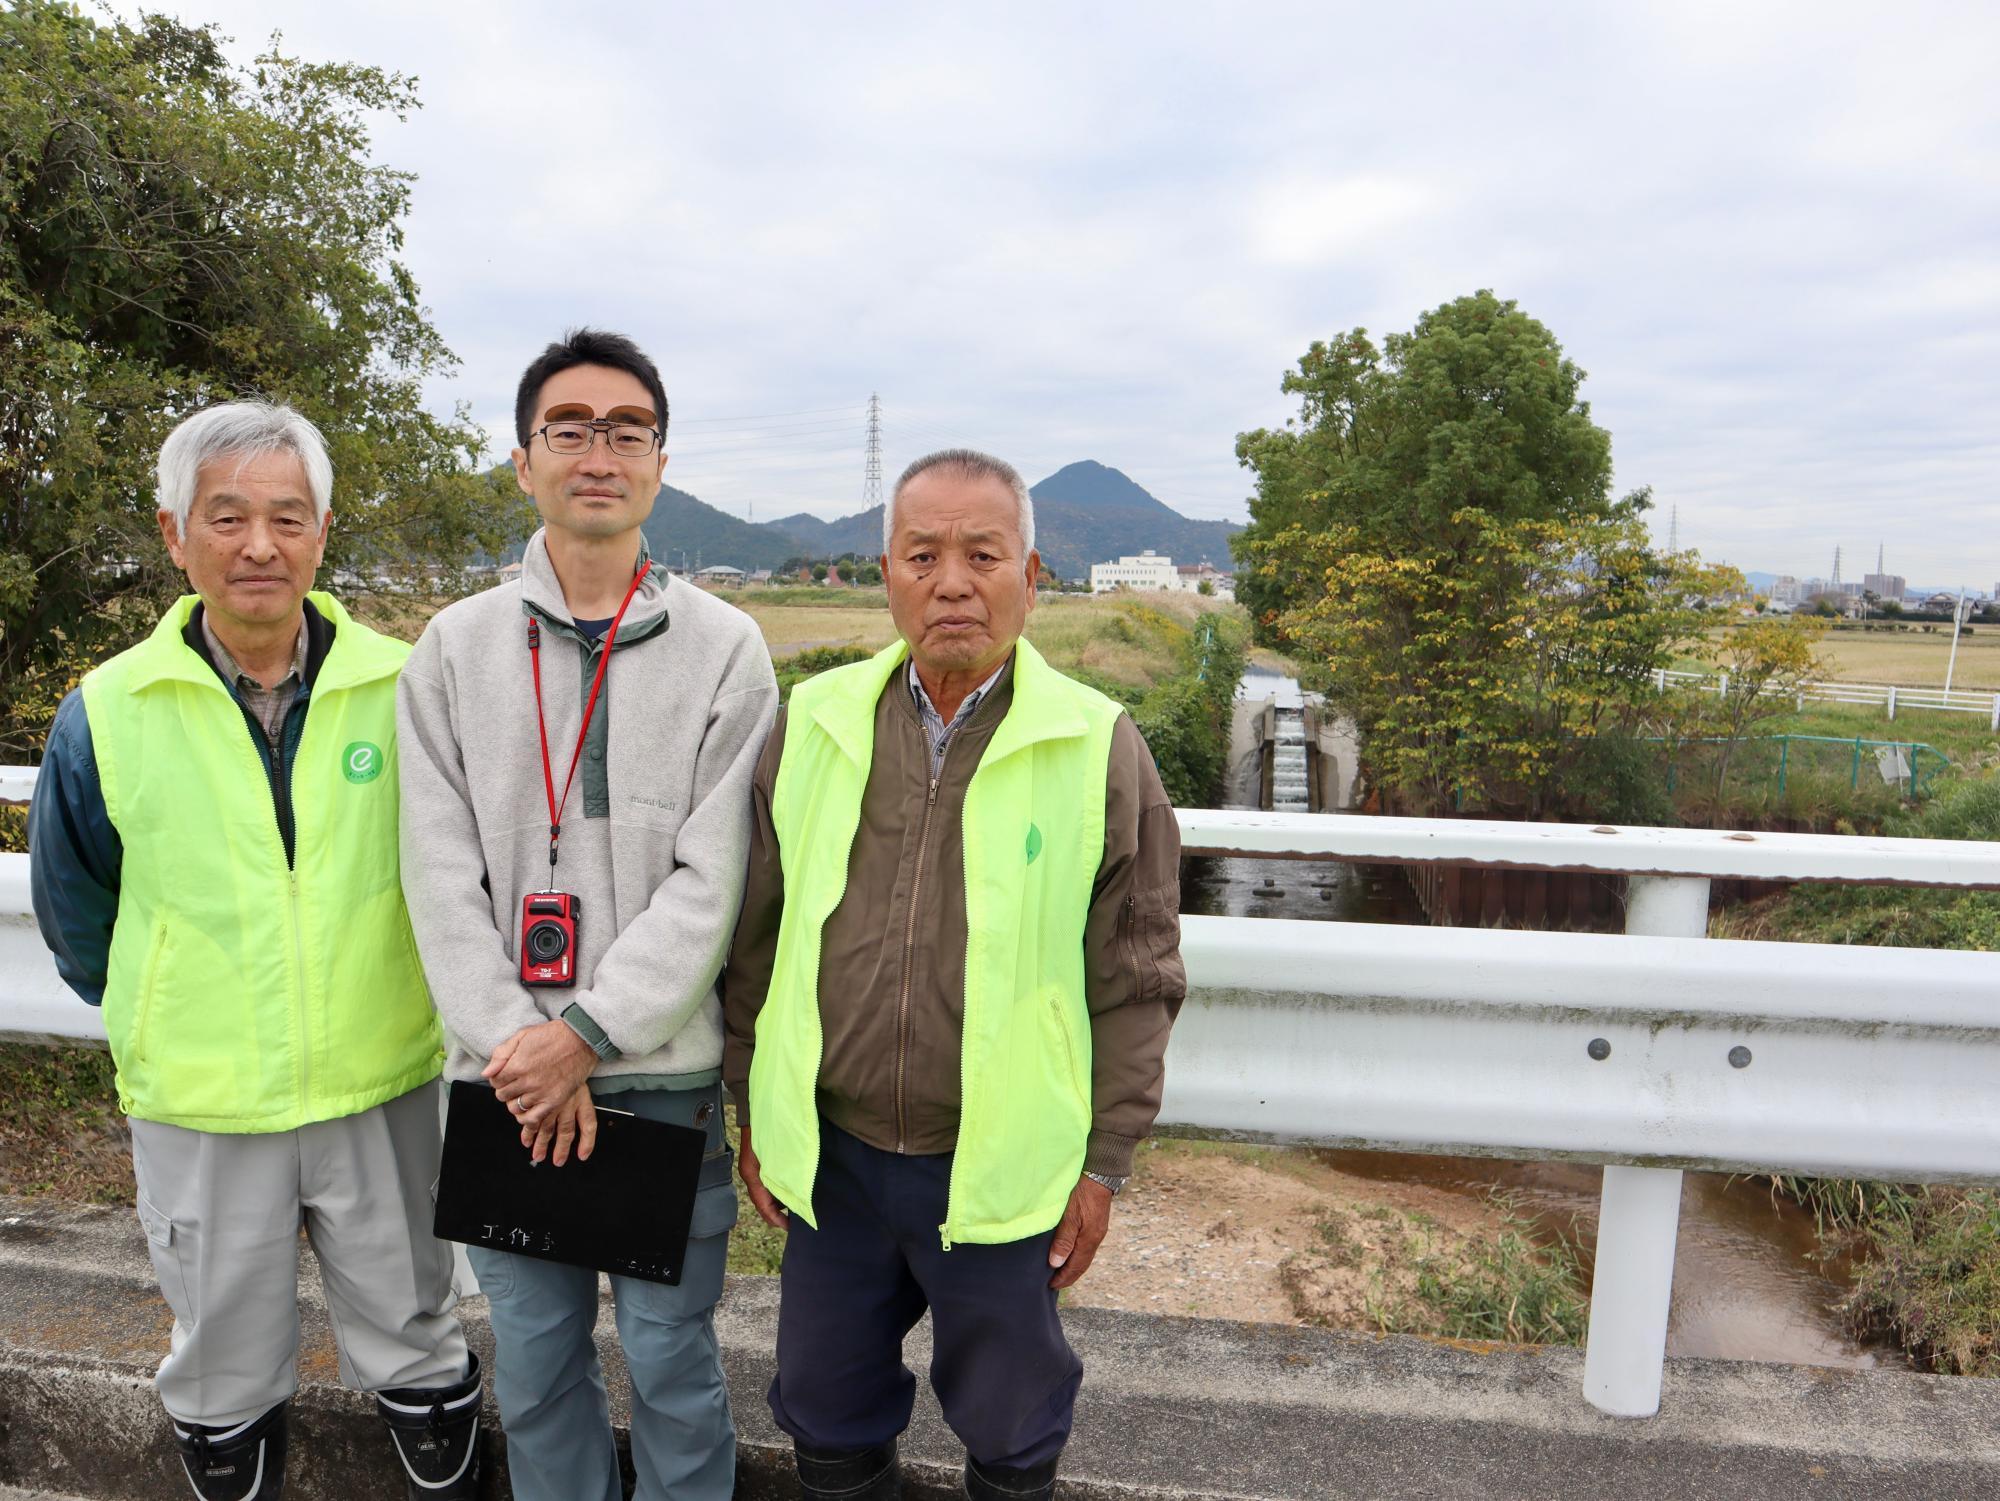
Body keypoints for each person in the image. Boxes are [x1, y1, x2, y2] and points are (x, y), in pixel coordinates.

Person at [27, 401, 482, 1501]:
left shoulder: (408, 683)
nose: (259, 544)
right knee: (222, 1351)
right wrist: (171, 993)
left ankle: (439, 1447)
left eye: (287, 515)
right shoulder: (107, 708)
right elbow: (76, 910)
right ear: (174, 531)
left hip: (380, 1078)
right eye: (225, 516)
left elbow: (460, 873)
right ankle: (231, 1457)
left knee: (415, 1322)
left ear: (324, 529)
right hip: (200, 1090)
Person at [724, 448, 1186, 1501]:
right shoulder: (813, 721)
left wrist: (1104, 1159)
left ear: (1030, 574)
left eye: (983, 554)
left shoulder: (1095, 744)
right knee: (822, 1404)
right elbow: (757, 936)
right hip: (834, 1157)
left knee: (1013, 1421)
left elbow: (1138, 971)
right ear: (883, 571)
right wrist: (753, 1101)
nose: (951, 582)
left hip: (1000, 1162)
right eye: (921, 553)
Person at [397, 328, 777, 1501]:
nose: (596, 452)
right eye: (569, 428)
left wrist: (587, 1034)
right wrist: (526, 1046)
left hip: (654, 1073)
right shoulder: (454, 649)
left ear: (660, 463)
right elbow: (434, 866)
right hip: (503, 1076)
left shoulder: (727, 649)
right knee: (538, 1363)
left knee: (670, 1357)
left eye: (626, 430)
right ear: (524, 461)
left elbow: (713, 879)